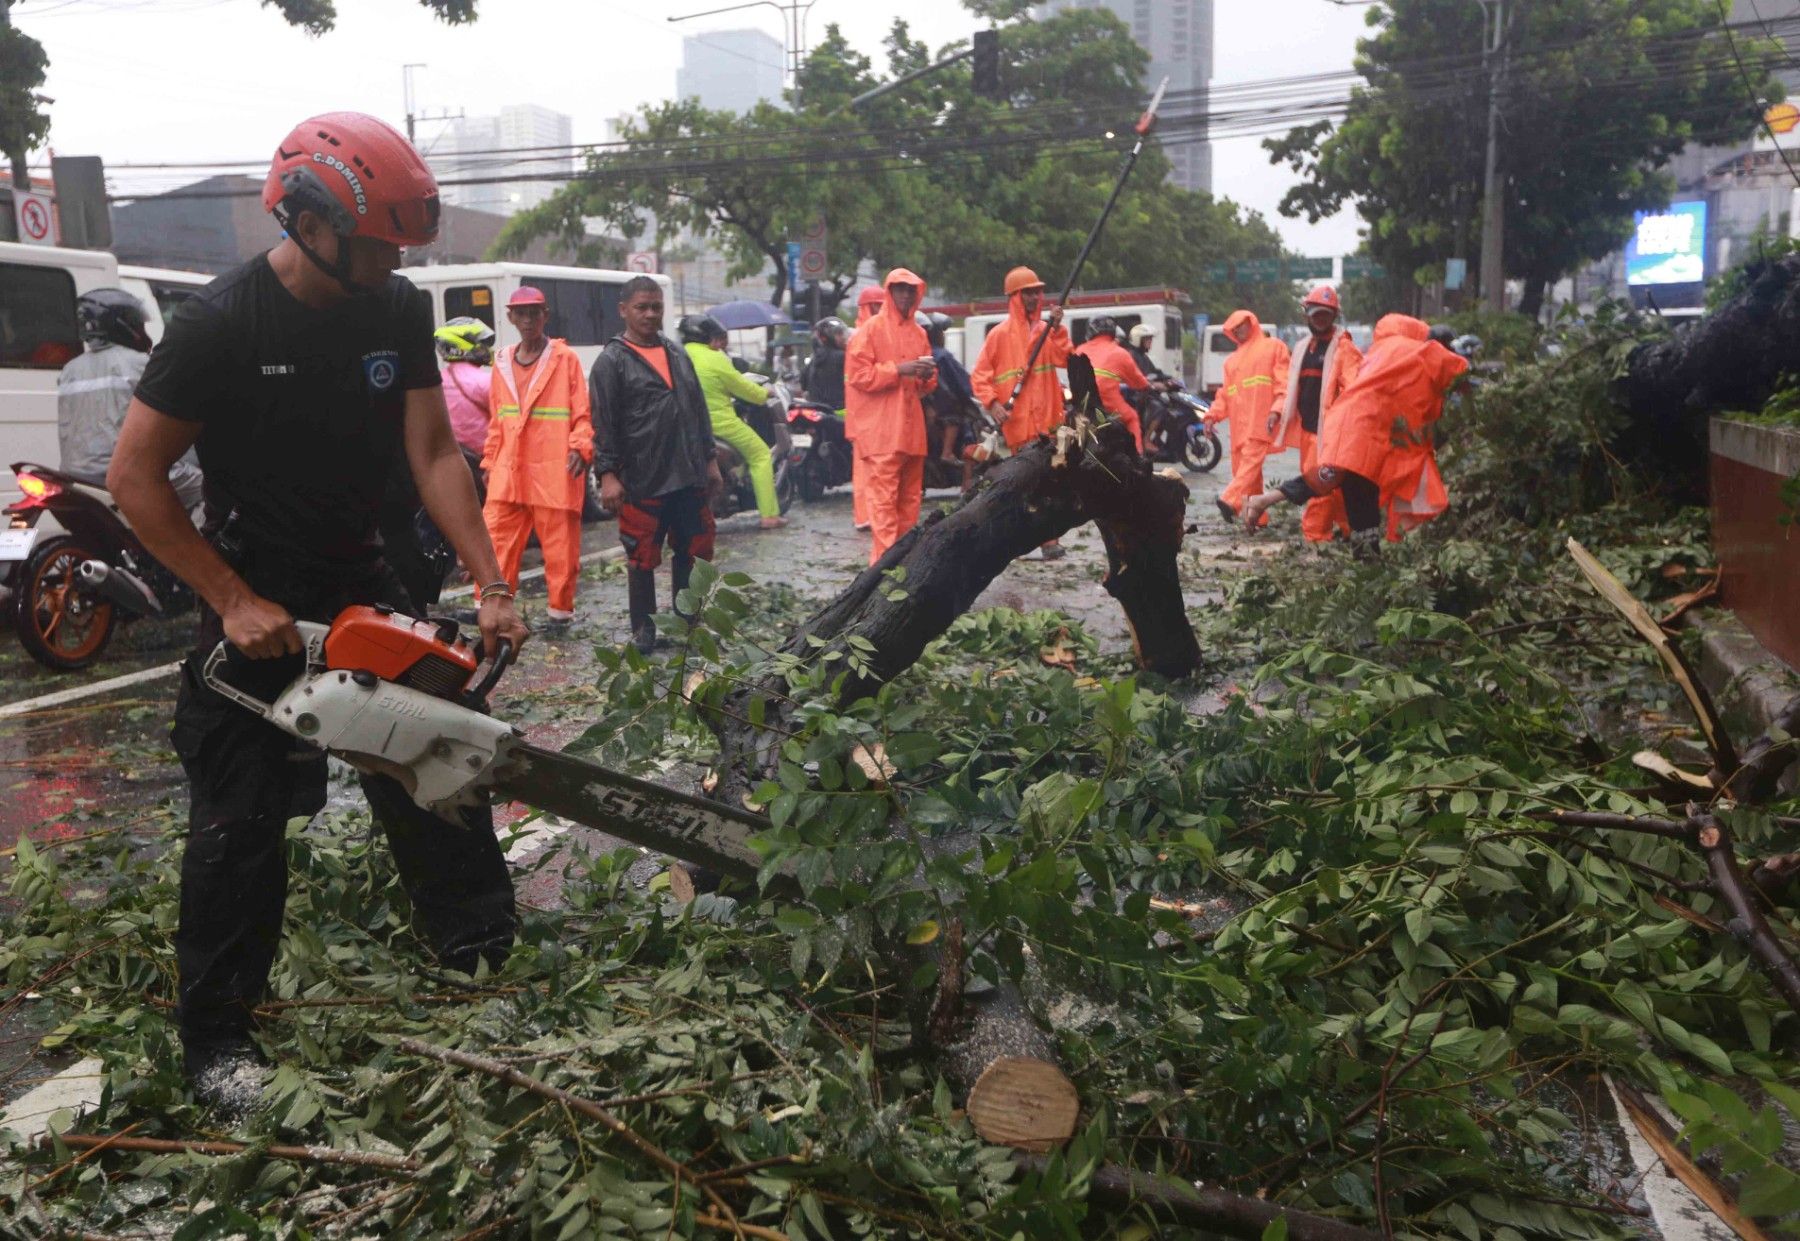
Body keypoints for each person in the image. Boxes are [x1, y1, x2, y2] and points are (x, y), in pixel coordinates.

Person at [105, 112, 528, 1113]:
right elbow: (135, 475)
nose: (391, 259)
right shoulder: (220, 325)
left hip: (370, 579)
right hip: (253, 597)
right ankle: (218, 1047)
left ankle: (482, 961)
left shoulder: (390, 311)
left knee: (441, 771)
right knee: (237, 826)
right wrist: (231, 598)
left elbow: (432, 452)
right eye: (375, 240)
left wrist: (492, 582)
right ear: (306, 219)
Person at [1243, 314, 1469, 551]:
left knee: (1333, 479)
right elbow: (1462, 372)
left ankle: (1368, 555)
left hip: (1349, 422)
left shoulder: (1381, 350)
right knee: (1334, 478)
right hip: (1365, 432)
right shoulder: (1424, 351)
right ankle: (1397, 550)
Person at [590, 276, 723, 654]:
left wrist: (710, 461)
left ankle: (688, 625)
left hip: (689, 473)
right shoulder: (611, 361)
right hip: (641, 479)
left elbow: (698, 411)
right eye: (642, 307)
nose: (650, 314)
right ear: (624, 311)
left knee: (694, 551)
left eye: (656, 307)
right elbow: (603, 423)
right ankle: (643, 630)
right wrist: (608, 474)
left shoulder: (677, 353)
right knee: (642, 556)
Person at [480, 286, 592, 635]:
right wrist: (489, 461)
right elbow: (497, 417)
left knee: (560, 547)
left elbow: (581, 412)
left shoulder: (564, 358)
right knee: (496, 540)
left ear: (545, 315)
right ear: (511, 317)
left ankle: (559, 614)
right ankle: (491, 608)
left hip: (552, 467)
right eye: (521, 313)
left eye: (534, 313)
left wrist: (580, 446)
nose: (528, 320)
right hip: (510, 467)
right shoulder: (501, 361)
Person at [57, 288, 205, 515]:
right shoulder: (139, 364)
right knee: (204, 487)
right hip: (126, 471)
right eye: (137, 322)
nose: (141, 329)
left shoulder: (70, 369)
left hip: (76, 474)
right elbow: (173, 416)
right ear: (122, 324)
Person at [970, 265, 1072, 559]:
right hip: (1019, 425)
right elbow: (980, 375)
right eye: (1028, 292)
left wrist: (1057, 328)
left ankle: (1049, 541)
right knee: (1025, 484)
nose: (1034, 296)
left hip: (1049, 422)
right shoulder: (999, 336)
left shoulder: (1047, 331)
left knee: (1051, 482)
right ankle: (1014, 537)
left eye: (1037, 291)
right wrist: (992, 403)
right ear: (1015, 296)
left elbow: (1067, 358)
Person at [846, 269, 937, 563]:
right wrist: (899, 369)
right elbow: (858, 376)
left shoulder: (919, 333)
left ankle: (904, 565)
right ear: (890, 292)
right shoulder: (871, 330)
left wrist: (926, 374)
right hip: (882, 432)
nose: (906, 295)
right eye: (900, 289)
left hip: (911, 431)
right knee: (884, 504)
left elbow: (927, 385)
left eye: (911, 290)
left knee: (910, 501)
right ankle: (883, 568)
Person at [1267, 286, 1362, 543]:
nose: (1320, 320)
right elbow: (1289, 388)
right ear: (1307, 315)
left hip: (1330, 433)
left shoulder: (1344, 349)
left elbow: (1354, 389)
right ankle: (1350, 531)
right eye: (1316, 314)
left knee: (1318, 485)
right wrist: (1277, 412)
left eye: (1326, 315)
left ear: (1334, 316)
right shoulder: (1302, 349)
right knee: (1334, 486)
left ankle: (1316, 539)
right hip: (1310, 431)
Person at [681, 313, 785, 529]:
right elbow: (742, 387)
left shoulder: (676, 354)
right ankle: (769, 516)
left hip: (684, 426)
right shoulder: (716, 358)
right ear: (707, 337)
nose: (718, 343)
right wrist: (764, 393)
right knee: (760, 455)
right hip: (719, 424)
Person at [1208, 309, 1290, 526]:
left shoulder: (1273, 347)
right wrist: (1211, 416)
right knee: (1248, 474)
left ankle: (1230, 501)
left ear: (1251, 322)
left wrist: (1277, 409)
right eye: (1233, 328)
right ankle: (1257, 519)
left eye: (1241, 325)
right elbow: (1225, 394)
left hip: (1261, 421)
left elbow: (1284, 383)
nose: (1238, 330)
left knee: (1247, 469)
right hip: (1238, 427)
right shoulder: (1232, 361)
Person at [801, 316, 863, 530]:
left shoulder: (812, 360)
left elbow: (802, 383)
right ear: (828, 337)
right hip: (842, 412)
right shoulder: (843, 357)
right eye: (838, 335)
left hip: (818, 411)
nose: (842, 338)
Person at [1072, 315, 1151, 451]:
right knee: (1132, 418)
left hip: (1083, 405)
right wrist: (1147, 385)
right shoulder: (1120, 352)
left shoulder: (1079, 350)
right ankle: (1138, 458)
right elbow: (1139, 382)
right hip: (1108, 404)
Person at [923, 311, 977, 472]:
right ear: (937, 334)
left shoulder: (924, 354)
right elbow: (963, 381)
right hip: (946, 407)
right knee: (970, 434)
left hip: (932, 405)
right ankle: (949, 456)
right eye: (941, 332)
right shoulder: (942, 355)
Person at [437, 316, 497, 459]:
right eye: (481, 343)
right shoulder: (485, 380)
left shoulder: (436, 381)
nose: (486, 348)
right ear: (462, 345)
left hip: (449, 460)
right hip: (483, 462)